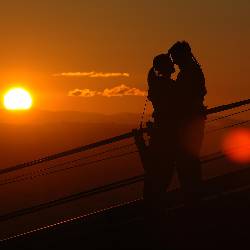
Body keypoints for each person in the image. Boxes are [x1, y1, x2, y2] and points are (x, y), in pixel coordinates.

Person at [168, 41, 207, 210]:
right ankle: (193, 196)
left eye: (175, 58)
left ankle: (191, 199)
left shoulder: (188, 74)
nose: (174, 63)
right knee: (190, 159)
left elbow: (181, 99)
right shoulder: (194, 71)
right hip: (194, 121)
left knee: (186, 161)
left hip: (188, 124)